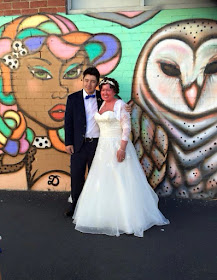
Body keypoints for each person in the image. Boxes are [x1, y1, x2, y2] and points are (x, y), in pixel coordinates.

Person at [0, 13, 121, 191]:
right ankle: (75, 207)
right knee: (77, 178)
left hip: (98, 145)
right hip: (78, 145)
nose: (59, 90)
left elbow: (115, 110)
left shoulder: (101, 98)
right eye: (41, 73)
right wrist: (69, 142)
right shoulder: (73, 98)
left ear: (97, 83)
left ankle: (97, 210)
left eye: (71, 72)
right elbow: (69, 121)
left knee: (99, 179)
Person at [72, 77, 170, 237]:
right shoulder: (101, 103)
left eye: (108, 90)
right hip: (103, 147)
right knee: (103, 179)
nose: (104, 92)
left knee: (120, 179)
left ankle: (126, 218)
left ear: (114, 91)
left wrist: (122, 148)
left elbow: (126, 128)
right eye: (102, 90)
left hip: (117, 145)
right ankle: (103, 215)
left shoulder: (120, 105)